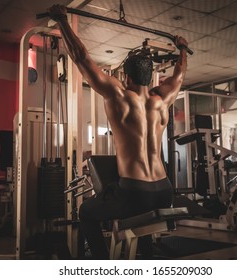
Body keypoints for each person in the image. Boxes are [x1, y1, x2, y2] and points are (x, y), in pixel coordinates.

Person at [48, 4, 188, 259]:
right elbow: (179, 75)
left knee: (86, 213)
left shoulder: (119, 96)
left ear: (126, 77)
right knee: (140, 226)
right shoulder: (163, 100)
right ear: (150, 76)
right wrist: (181, 49)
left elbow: (81, 58)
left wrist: (62, 21)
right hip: (164, 190)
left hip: (135, 192)